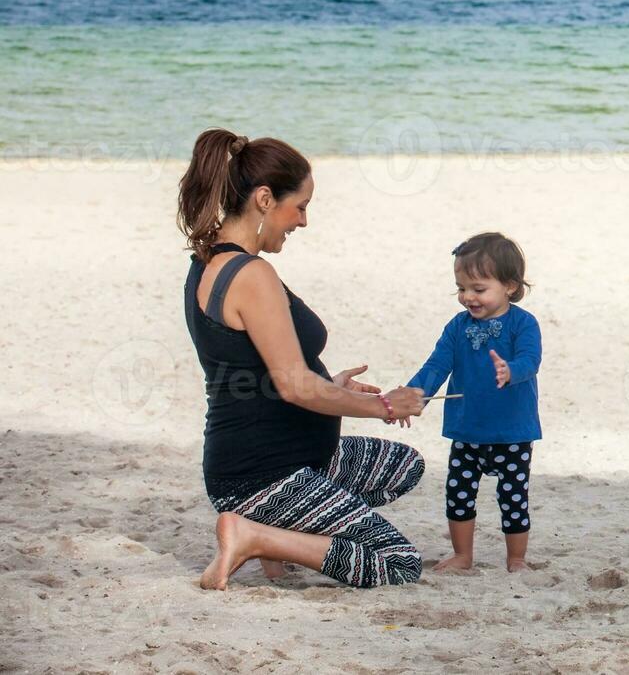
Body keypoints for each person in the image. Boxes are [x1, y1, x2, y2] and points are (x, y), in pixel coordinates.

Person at [177, 128, 427, 590]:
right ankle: (255, 537)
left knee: (403, 466)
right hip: (261, 475)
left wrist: (330, 382)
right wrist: (384, 407)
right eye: (302, 206)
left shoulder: (207, 260)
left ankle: (271, 537)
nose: (303, 222)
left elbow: (253, 371)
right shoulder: (251, 275)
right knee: (399, 563)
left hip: (284, 454)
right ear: (265, 199)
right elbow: (294, 386)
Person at [406, 232, 542, 573]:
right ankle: (463, 556)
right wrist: (414, 393)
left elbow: (531, 360)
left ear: (510, 286)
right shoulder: (457, 327)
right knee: (459, 495)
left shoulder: (523, 323)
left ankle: (516, 559)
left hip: (512, 432)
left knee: (513, 498)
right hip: (466, 430)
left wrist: (510, 370)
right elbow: (437, 364)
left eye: (478, 289)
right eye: (461, 288)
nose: (468, 297)